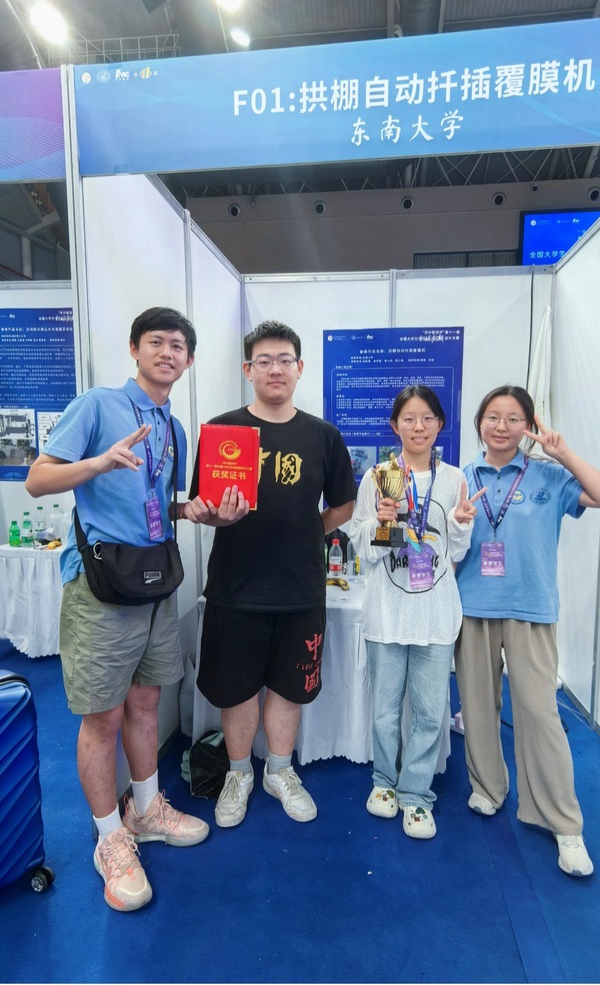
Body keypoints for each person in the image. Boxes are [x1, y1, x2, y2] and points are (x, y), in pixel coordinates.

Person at [25, 307, 216, 913]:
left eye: (178, 346)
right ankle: (109, 837)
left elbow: (160, 503)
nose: (167, 353)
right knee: (102, 717)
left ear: (188, 360)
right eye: (156, 342)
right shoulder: (97, 406)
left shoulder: (174, 427)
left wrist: (195, 511)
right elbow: (37, 479)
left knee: (146, 702)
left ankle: (147, 809)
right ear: (134, 348)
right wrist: (99, 463)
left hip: (154, 580)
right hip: (100, 585)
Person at [183, 319, 356, 828]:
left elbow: (344, 505)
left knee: (289, 686)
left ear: (300, 368)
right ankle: (239, 774)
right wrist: (213, 516)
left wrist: (308, 529)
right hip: (236, 586)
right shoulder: (222, 432)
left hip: (301, 587)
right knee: (236, 687)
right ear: (248, 370)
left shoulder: (323, 436)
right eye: (264, 361)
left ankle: (280, 770)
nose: (275, 369)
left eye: (284, 360)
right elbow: (201, 506)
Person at [454, 384, 600, 877]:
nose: (502, 426)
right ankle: (488, 787)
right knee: (477, 706)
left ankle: (563, 822)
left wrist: (564, 453)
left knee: (539, 712)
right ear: (479, 422)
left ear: (528, 426)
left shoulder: (549, 475)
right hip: (472, 608)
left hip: (531, 608)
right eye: (493, 416)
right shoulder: (461, 477)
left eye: (514, 418)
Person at [349, 385, 484, 839]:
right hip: (387, 612)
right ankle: (384, 782)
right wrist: (383, 522)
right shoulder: (377, 477)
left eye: (427, 418)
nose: (418, 426)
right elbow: (362, 546)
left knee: (429, 713)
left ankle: (416, 795)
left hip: (435, 613)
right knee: (384, 710)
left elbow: (456, 551)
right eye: (408, 418)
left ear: (440, 424)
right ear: (395, 426)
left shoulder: (454, 480)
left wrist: (461, 525)